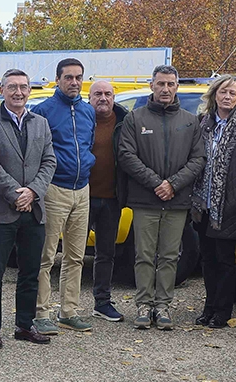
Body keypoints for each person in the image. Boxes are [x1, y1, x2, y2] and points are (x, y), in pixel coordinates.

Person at [0, 69, 58, 349]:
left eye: (23, 87)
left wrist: (33, 192)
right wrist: (15, 193)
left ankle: (25, 324)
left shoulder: (41, 124)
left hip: (34, 210)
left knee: (30, 271)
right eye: (12, 87)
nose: (18, 92)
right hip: (1, 210)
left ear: (30, 91)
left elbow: (49, 162)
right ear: (2, 90)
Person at [118, 66, 205, 329]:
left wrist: (174, 185)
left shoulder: (190, 121)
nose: (165, 89)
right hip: (146, 200)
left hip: (177, 201)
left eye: (170, 84)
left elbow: (198, 158)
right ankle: (144, 305)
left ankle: (163, 305)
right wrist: (157, 183)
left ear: (177, 86)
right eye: (160, 84)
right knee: (143, 254)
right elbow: (126, 156)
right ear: (152, 86)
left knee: (169, 255)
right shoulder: (135, 118)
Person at [192, 75, 236, 329]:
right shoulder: (203, 123)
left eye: (232, 93)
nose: (227, 97)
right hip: (203, 205)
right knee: (207, 260)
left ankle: (222, 312)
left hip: (230, 206)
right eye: (223, 92)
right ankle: (208, 308)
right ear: (214, 95)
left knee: (225, 261)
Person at [30, 58, 95, 335]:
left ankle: (68, 311)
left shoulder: (88, 111)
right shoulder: (43, 111)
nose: (74, 82)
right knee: (45, 256)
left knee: (75, 256)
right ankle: (41, 313)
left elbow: (88, 144)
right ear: (58, 79)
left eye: (78, 77)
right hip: (54, 188)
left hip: (82, 189)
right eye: (68, 77)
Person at [87, 79, 128, 322]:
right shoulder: (81, 120)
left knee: (106, 253)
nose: (103, 98)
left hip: (112, 198)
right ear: (89, 97)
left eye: (108, 94)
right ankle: (63, 306)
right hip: (82, 195)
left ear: (114, 97)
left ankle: (102, 302)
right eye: (98, 94)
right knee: (71, 255)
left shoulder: (125, 121)